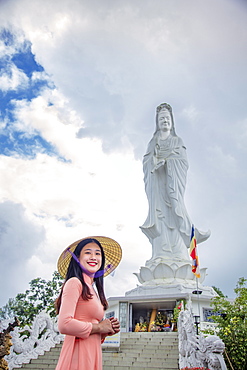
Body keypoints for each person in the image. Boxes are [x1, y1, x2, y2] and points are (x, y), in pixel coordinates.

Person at [140, 103, 210, 266]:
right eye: (161, 118)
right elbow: (146, 161)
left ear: (172, 122)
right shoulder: (153, 142)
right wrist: (153, 164)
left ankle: (180, 255)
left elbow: (183, 162)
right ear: (157, 122)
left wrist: (167, 163)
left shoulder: (176, 141)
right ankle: (159, 255)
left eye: (167, 118)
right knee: (160, 219)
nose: (164, 121)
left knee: (175, 215)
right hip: (158, 189)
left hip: (172, 188)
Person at [55, 236, 122, 370]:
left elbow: (91, 327)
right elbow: (64, 324)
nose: (93, 257)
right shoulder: (75, 283)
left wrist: (104, 332)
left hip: (92, 352)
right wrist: (99, 327)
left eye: (98, 254)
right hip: (77, 354)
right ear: (77, 258)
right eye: (88, 253)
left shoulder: (93, 290)